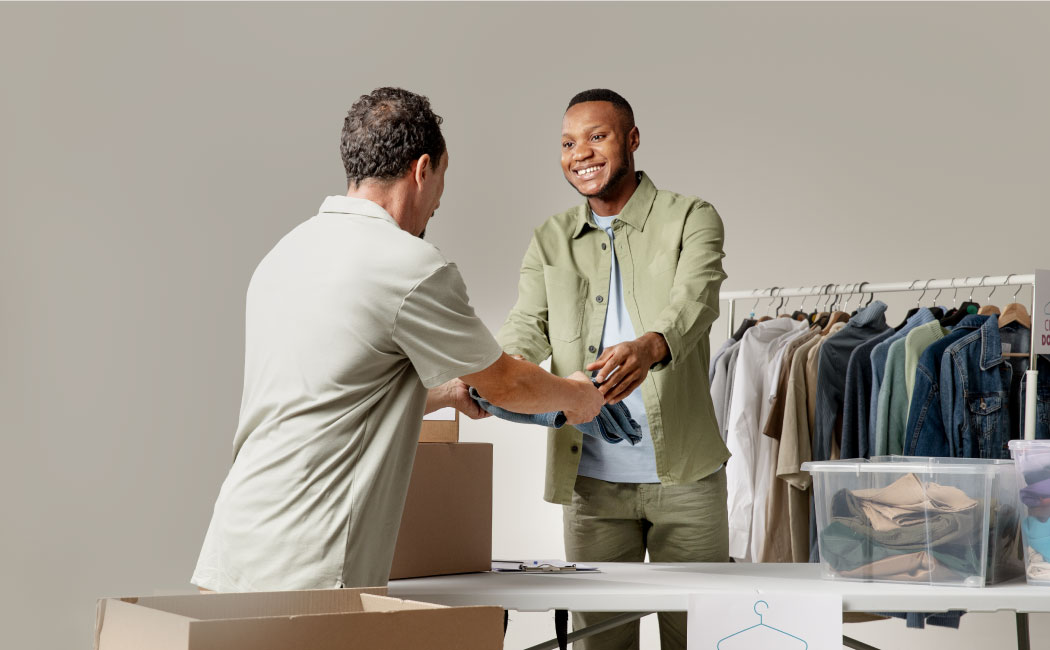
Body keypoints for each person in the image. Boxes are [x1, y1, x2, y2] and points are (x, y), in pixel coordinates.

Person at [191, 87, 603, 593]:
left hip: (234, 548)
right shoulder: (408, 265)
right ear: (421, 169)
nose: (437, 203)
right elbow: (506, 384)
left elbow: (329, 397)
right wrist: (580, 397)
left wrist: (449, 394)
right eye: (441, 182)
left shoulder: (286, 253)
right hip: (311, 565)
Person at [498, 89, 729, 649]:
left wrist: (650, 347)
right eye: (567, 142)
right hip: (592, 487)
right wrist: (494, 374)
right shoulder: (549, 240)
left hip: (687, 480)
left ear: (631, 140)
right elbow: (526, 327)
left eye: (596, 137)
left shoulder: (691, 218)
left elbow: (696, 301)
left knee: (701, 640)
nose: (581, 153)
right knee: (599, 643)